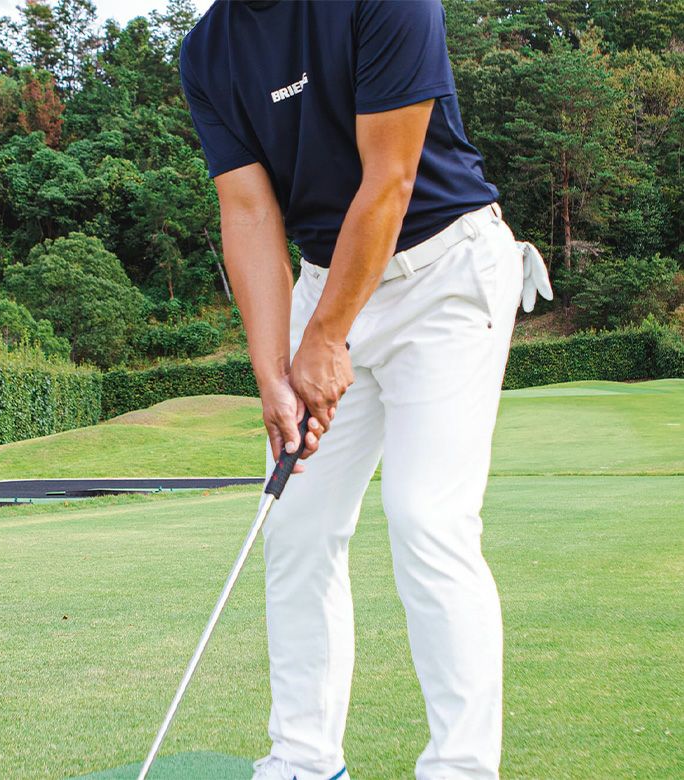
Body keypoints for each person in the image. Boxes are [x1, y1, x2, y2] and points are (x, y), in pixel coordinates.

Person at [179, 2, 551, 778]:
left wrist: (324, 339)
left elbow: (390, 179)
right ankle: (303, 760)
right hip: (325, 280)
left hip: (446, 272)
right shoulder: (208, 51)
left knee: (428, 517)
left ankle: (459, 768)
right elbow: (247, 213)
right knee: (295, 524)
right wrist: (272, 372)